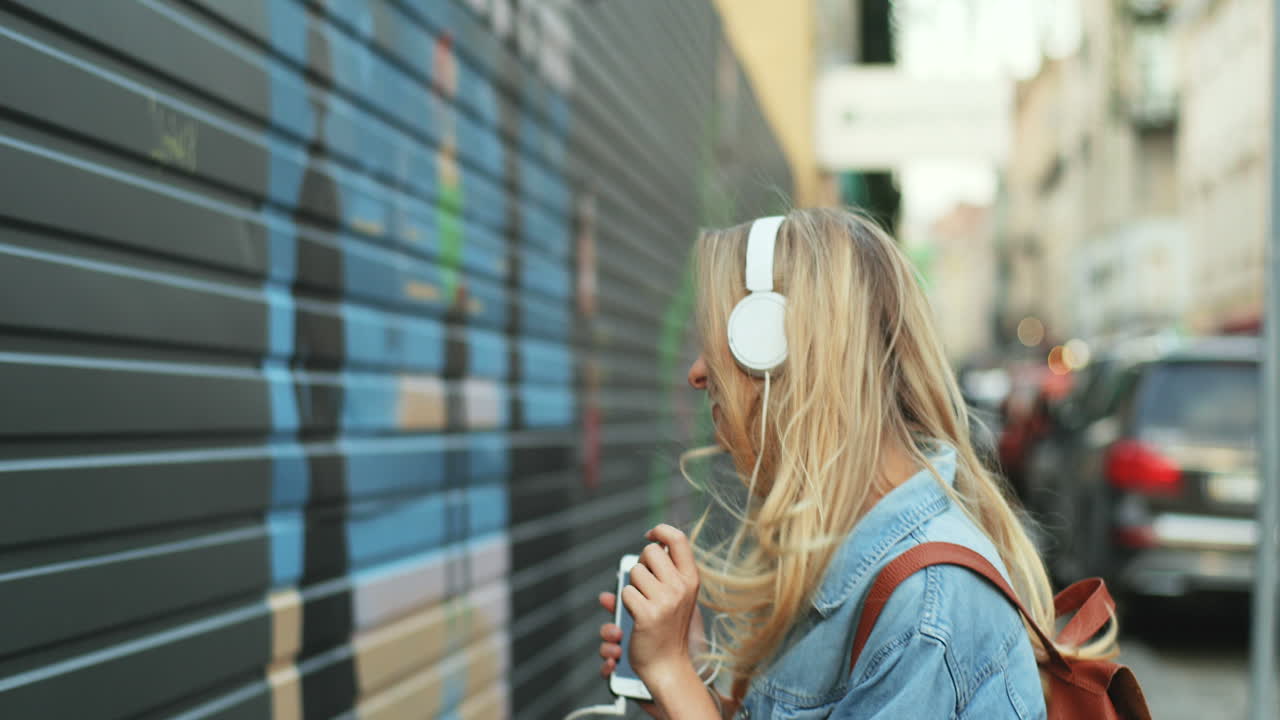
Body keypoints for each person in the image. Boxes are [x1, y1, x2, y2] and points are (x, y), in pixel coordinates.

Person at [595, 208, 1117, 719]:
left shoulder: (927, 608)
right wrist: (683, 683)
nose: (697, 371)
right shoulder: (849, 552)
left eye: (717, 341)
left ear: (771, 344)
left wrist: (669, 671)